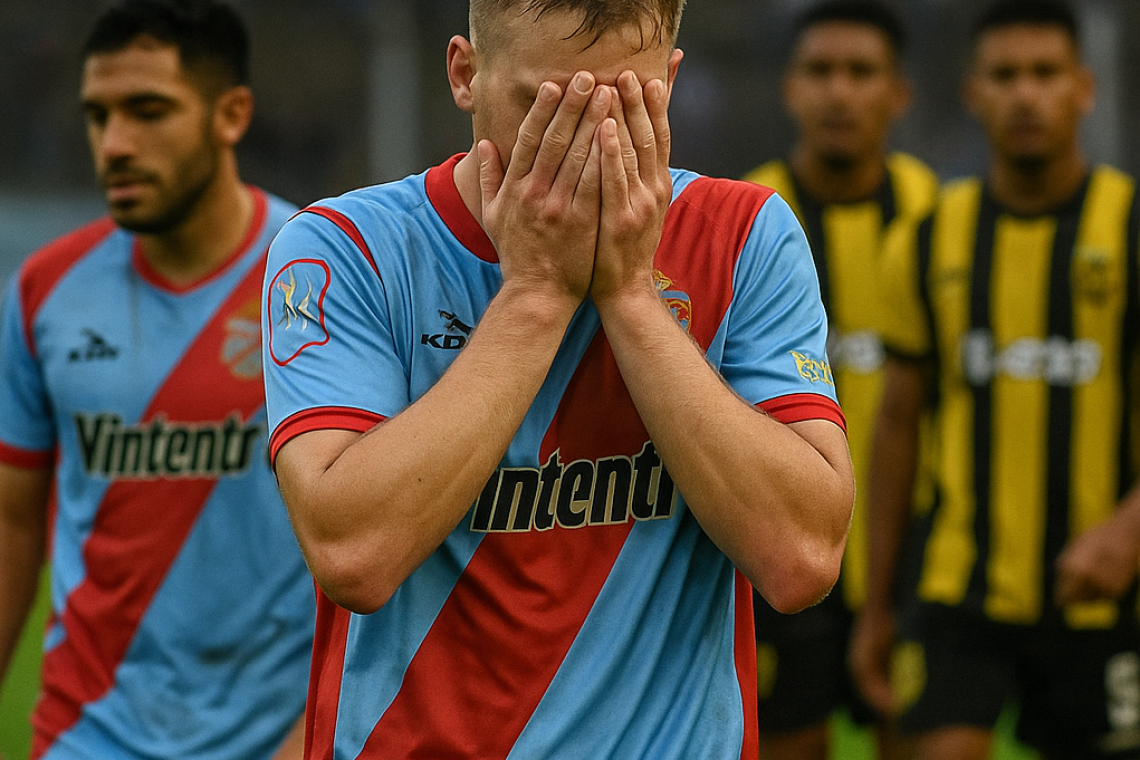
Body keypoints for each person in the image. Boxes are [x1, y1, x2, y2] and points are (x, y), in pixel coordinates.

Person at [261, 1, 855, 757]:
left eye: (622, 106)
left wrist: (630, 296)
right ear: (465, 75)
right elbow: (353, 555)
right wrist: (536, 294)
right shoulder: (346, 249)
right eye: (547, 104)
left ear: (670, 85)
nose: (586, 143)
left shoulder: (746, 236)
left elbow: (802, 559)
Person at [0, 1, 314, 758]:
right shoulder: (44, 291)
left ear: (231, 115)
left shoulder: (319, 276)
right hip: (85, 736)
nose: (114, 144)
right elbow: (10, 523)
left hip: (276, 739)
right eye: (97, 115)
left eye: (147, 112)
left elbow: (392, 542)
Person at [849, 1, 1140, 759]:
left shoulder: (1131, 228)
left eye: (1045, 73)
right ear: (973, 93)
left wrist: (1128, 531)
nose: (1026, 95)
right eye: (1005, 76)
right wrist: (878, 604)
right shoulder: (927, 240)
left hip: (1109, 597)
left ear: (1084, 88)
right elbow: (897, 426)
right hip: (959, 590)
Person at [742, 2, 937, 759]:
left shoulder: (937, 217)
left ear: (900, 93)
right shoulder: (747, 219)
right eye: (821, 71)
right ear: (790, 89)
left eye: (862, 72)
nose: (840, 92)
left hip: (919, 546)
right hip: (783, 536)